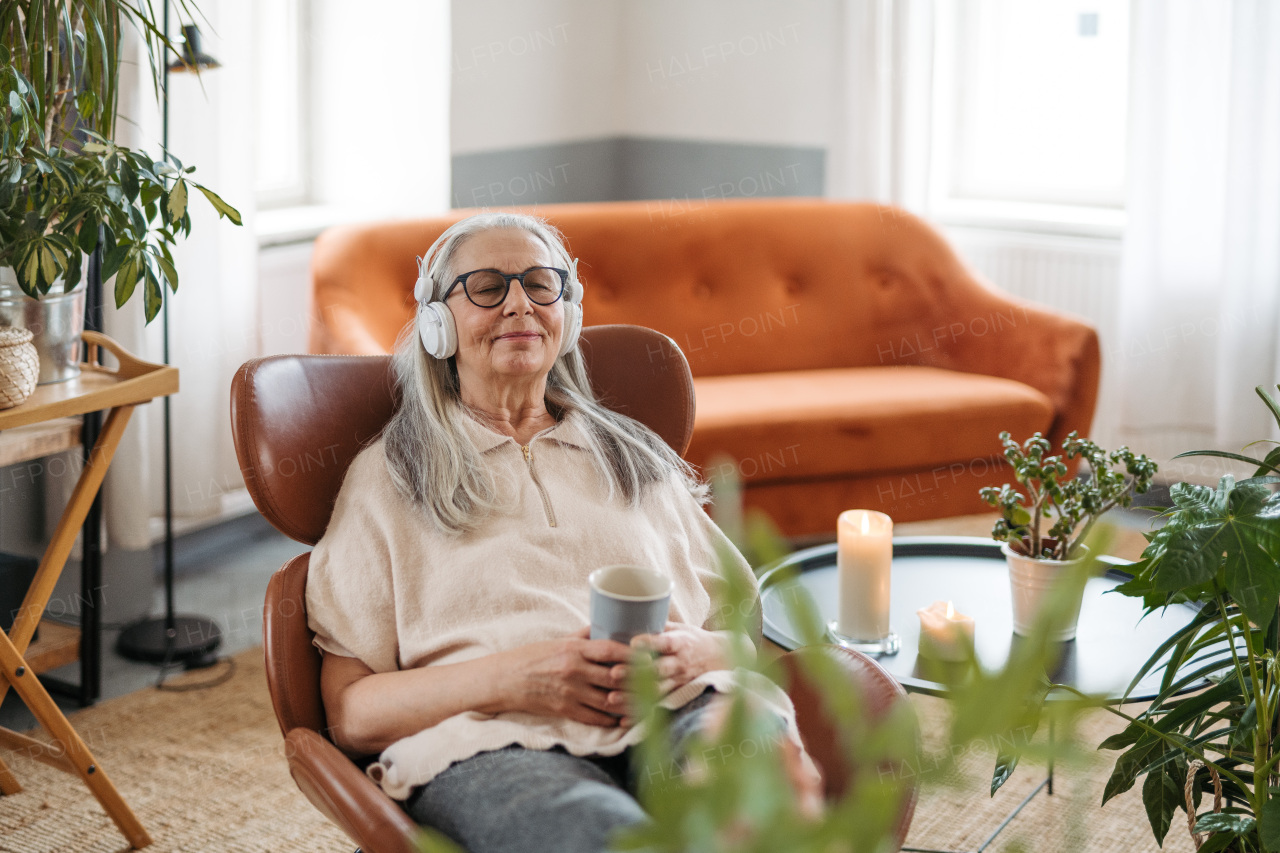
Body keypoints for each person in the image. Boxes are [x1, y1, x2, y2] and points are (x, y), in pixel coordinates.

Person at [305, 212, 821, 853]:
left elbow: (740, 634)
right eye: (488, 286)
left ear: (567, 313)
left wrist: (696, 652)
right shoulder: (388, 478)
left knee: (760, 813)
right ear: (439, 324)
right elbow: (351, 713)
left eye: (540, 284)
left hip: (685, 706)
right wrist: (514, 677)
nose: (519, 303)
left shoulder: (636, 457)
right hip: (488, 738)